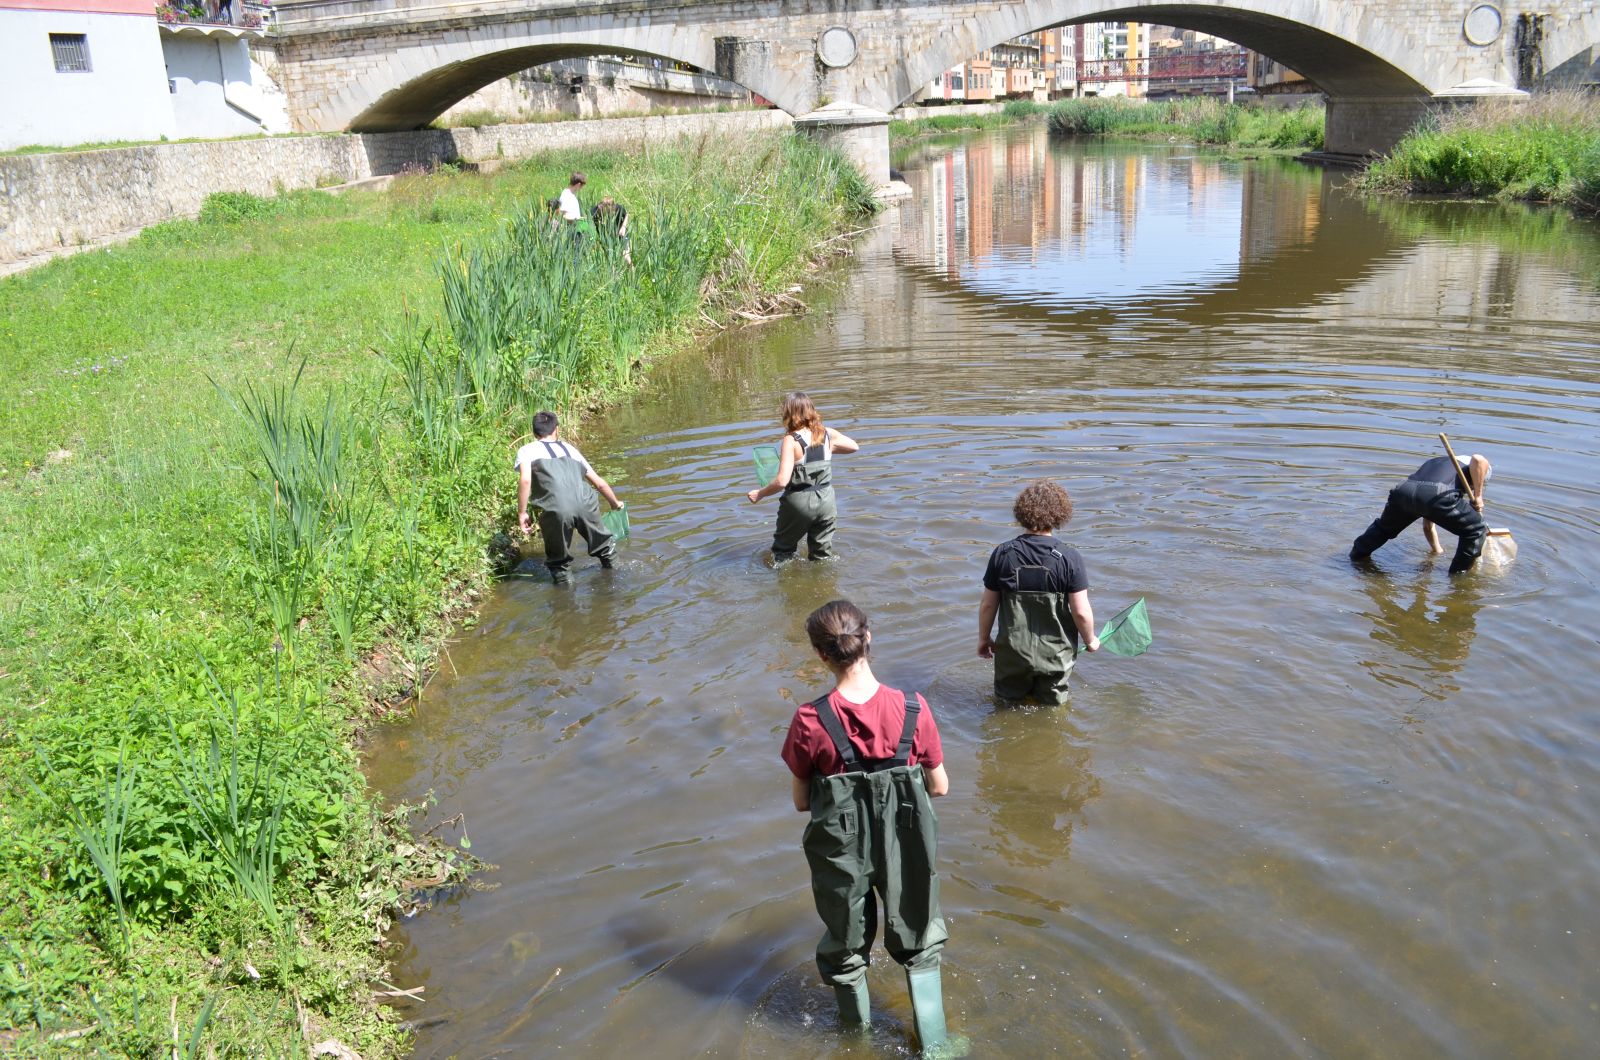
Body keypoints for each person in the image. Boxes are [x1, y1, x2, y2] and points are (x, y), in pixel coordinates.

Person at [781, 600, 949, 1052]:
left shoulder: (810, 720)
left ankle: (856, 1042)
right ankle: (936, 1046)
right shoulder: (913, 708)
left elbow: (801, 802)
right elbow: (940, 786)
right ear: (867, 639)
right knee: (919, 933)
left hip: (842, 845)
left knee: (846, 941)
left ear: (821, 655)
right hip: (905, 839)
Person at [978, 480, 1098, 704]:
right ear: (1059, 515)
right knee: (1052, 713)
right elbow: (1081, 612)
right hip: (1055, 657)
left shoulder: (1002, 554)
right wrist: (1091, 640)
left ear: (1021, 513)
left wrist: (984, 639)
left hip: (1012, 654)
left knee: (1005, 708)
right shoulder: (1070, 558)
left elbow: (987, 605)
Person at [744, 392, 859, 561]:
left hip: (799, 502)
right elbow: (854, 447)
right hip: (826, 500)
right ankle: (823, 585)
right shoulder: (827, 434)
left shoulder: (790, 440)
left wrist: (759, 494)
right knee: (822, 556)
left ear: (789, 414)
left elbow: (782, 481)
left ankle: (784, 584)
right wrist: (828, 449)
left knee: (782, 553)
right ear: (810, 411)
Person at [515, 410, 623, 584]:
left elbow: (526, 480)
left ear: (535, 433)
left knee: (559, 562)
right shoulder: (569, 449)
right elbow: (599, 483)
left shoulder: (526, 450)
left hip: (557, 508)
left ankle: (566, 604)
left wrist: (522, 512)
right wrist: (614, 503)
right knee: (605, 548)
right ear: (556, 429)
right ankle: (619, 583)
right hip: (586, 503)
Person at [1350, 452, 1491, 575]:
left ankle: (1356, 556)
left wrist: (1437, 550)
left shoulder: (1438, 463)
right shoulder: (1468, 467)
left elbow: (1428, 523)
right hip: (1436, 494)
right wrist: (1478, 495)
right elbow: (1478, 460)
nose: (1473, 487)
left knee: (1384, 529)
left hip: (1404, 490)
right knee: (1476, 530)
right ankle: (1458, 580)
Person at [590, 196, 631, 264]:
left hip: (620, 234)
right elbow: (586, 222)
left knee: (626, 256)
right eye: (602, 207)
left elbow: (626, 214)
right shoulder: (594, 211)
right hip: (605, 237)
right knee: (610, 259)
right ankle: (614, 273)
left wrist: (623, 227)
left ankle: (632, 271)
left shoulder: (618, 208)